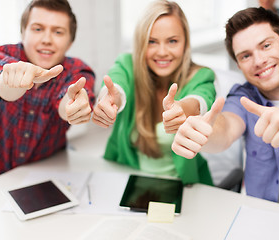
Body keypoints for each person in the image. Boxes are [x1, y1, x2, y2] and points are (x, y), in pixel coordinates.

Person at [172, 7, 279, 216]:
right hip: (269, 215)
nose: (259, 61)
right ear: (239, 65)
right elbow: (226, 128)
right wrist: (203, 133)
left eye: (266, 46)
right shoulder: (244, 97)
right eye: (245, 56)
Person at [0, 0, 95, 188]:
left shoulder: (77, 71)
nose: (47, 39)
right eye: (37, 29)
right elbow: (4, 88)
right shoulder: (0, 54)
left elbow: (68, 100)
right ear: (23, 32)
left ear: (70, 42)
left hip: (45, 178)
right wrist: (11, 80)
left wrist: (74, 106)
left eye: (58, 32)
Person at [91, 0, 215, 185]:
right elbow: (115, 86)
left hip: (183, 186)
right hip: (128, 182)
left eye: (172, 41)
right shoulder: (127, 65)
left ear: (185, 43)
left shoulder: (201, 75)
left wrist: (182, 109)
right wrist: (111, 99)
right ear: (141, 43)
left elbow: (200, 100)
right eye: (152, 42)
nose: (162, 52)